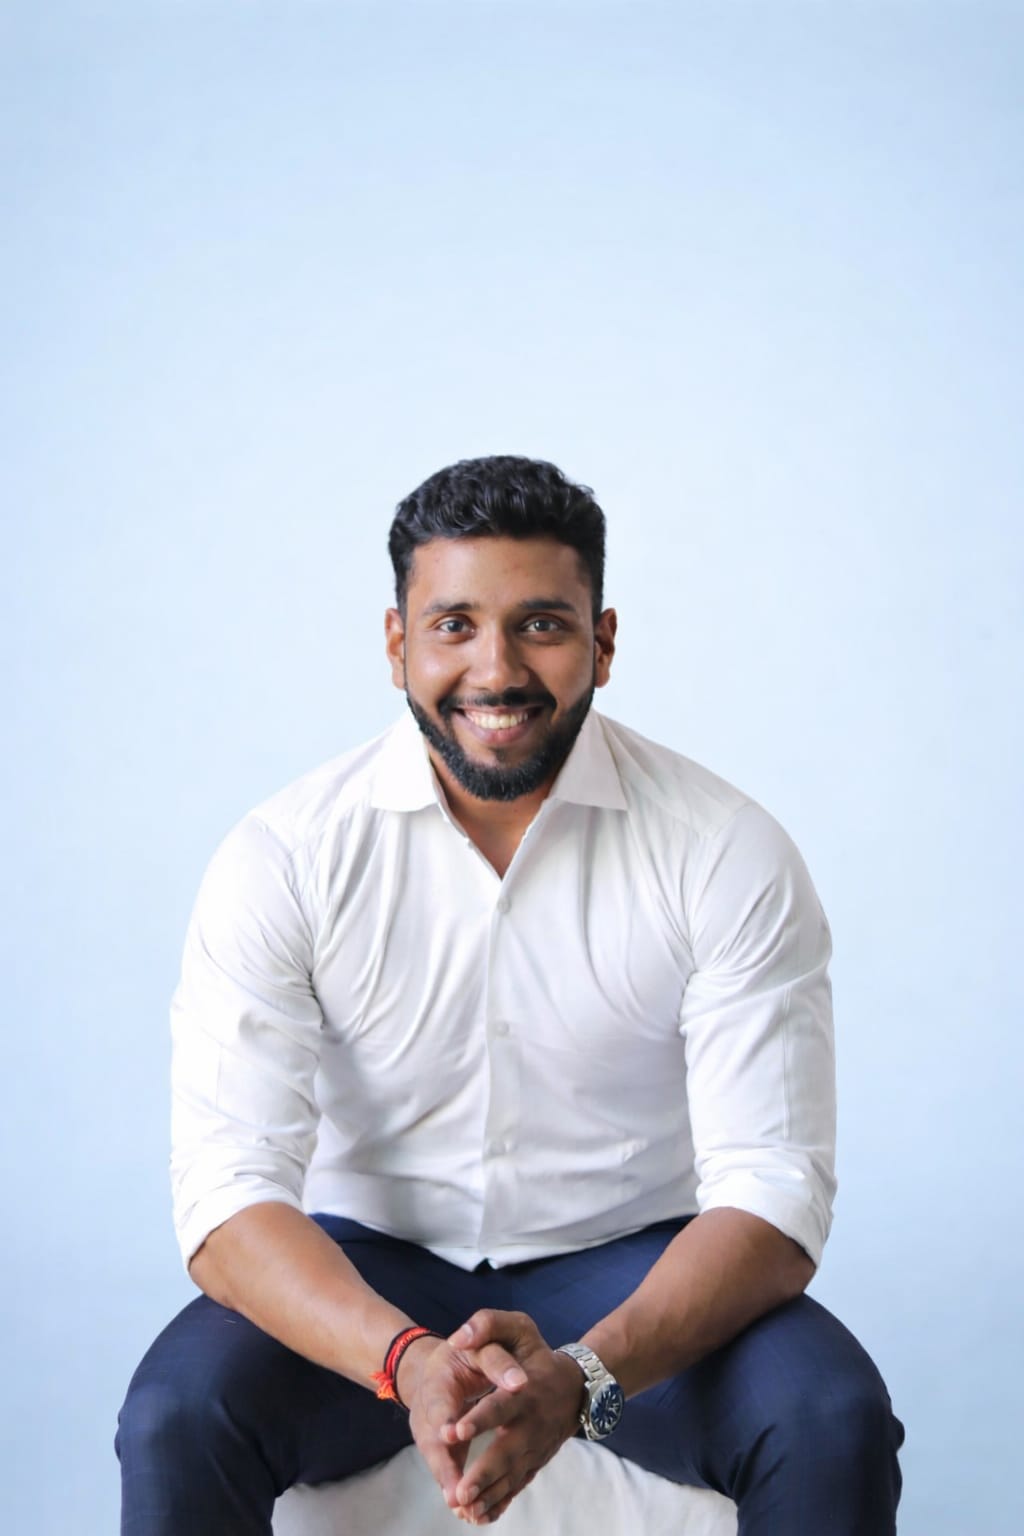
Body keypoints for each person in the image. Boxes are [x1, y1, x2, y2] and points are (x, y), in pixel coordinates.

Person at [117, 456, 904, 1534]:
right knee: (175, 1416)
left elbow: (771, 1191)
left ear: (604, 642)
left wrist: (586, 1374)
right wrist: (402, 1357)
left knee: (829, 1415)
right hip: (369, 1266)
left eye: (540, 624)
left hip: (633, 1262)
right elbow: (225, 1190)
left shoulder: (724, 851)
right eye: (452, 626)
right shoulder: (285, 857)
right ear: (396, 643)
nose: (496, 669)